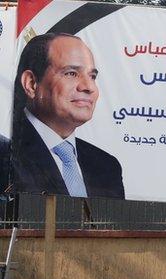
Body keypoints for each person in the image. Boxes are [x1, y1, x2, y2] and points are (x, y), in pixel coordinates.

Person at [11, 33, 124, 199]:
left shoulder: (107, 166)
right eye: (71, 73)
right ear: (31, 83)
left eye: (92, 76)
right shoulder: (7, 154)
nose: (89, 87)